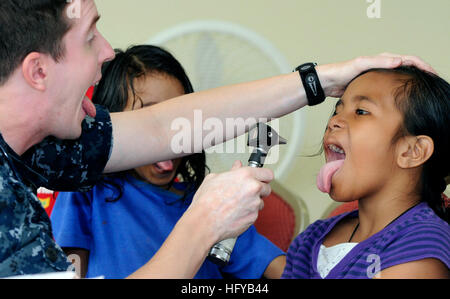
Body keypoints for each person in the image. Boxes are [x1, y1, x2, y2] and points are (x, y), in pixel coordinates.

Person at [0, 0, 435, 278]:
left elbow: (162, 128)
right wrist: (202, 225)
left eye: (361, 110)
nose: (108, 51)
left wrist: (319, 80)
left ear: (416, 149)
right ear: (38, 71)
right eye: (90, 35)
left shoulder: (54, 148)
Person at [50, 45, 286, 279]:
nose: (171, 135)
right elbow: (69, 270)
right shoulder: (84, 192)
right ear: (113, 123)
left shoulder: (209, 200)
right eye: (153, 118)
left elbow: (282, 269)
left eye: (181, 118)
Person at [282, 66, 450, 279]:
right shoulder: (312, 238)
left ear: (412, 151)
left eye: (361, 111)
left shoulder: (422, 243)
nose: (333, 121)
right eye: (337, 110)